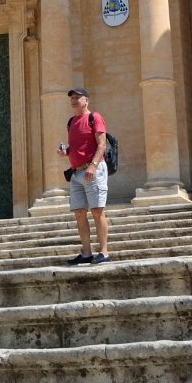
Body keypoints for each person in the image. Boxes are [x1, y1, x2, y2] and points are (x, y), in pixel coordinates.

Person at [59, 87, 111, 264]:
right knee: (79, 212)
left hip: (92, 170)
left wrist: (94, 166)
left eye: (78, 97)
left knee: (97, 210)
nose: (74, 100)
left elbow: (102, 144)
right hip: (76, 173)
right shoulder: (71, 122)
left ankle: (104, 252)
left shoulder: (94, 117)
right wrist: (66, 151)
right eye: (72, 98)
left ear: (86, 100)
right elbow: (76, 147)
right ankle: (87, 253)